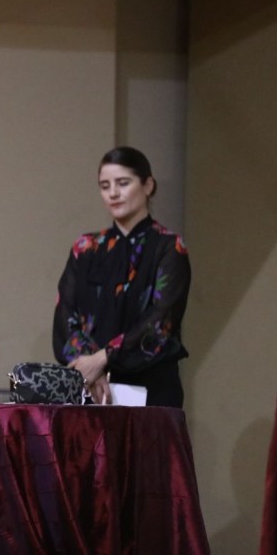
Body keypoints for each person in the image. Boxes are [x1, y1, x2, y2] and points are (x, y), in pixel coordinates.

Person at [52, 146, 192, 407]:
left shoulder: (168, 247)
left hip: (152, 389)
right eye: (105, 186)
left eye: (123, 183)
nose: (113, 193)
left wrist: (104, 358)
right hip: (90, 387)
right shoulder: (86, 248)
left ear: (148, 185)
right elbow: (65, 314)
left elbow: (162, 318)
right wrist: (90, 367)